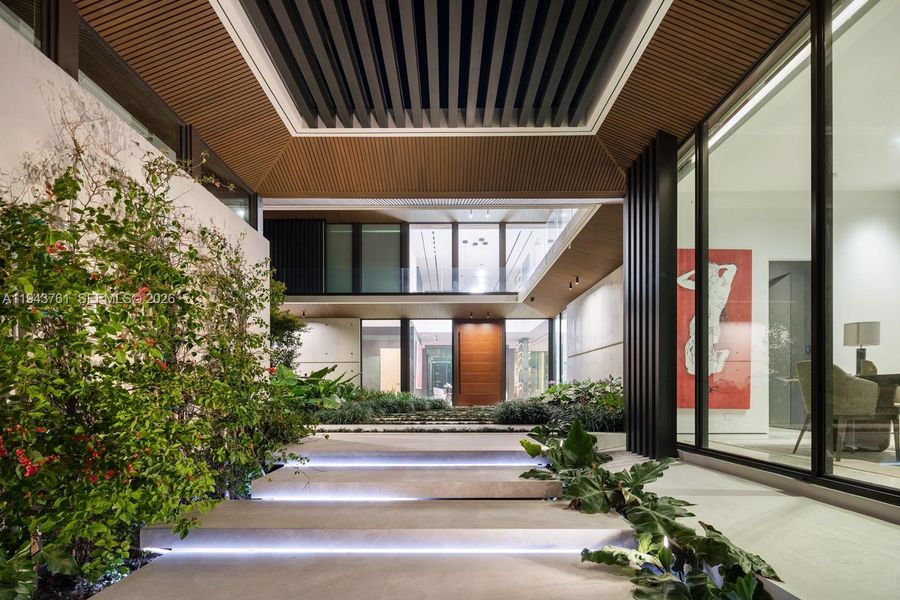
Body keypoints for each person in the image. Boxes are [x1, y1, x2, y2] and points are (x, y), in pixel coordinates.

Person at [677, 262, 738, 375]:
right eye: (706, 274)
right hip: (698, 323)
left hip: (711, 325)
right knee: (696, 347)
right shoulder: (703, 285)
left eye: (710, 274)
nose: (708, 277)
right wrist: (696, 271)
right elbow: (680, 280)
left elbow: (733, 267)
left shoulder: (723, 283)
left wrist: (719, 267)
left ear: (715, 273)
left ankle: (712, 365)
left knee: (705, 348)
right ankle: (710, 364)